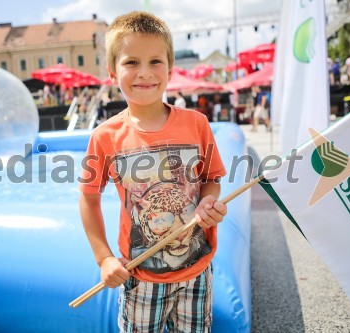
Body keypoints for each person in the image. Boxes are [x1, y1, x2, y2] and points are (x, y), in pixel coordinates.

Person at [78, 11, 227, 332]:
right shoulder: (104, 136)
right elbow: (88, 200)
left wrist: (208, 203)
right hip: (141, 278)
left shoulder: (197, 124)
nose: (144, 73)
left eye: (155, 61)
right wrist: (104, 258)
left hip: (197, 272)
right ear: (112, 70)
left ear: (171, 69)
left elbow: (211, 179)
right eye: (131, 62)